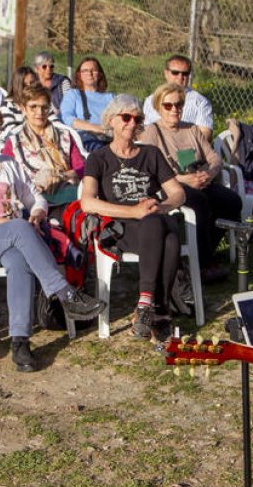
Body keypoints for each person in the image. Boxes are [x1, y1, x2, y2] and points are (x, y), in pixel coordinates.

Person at [0, 102, 105, 371]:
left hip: (12, 239)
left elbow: (34, 196)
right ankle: (66, 294)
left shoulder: (8, 164)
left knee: (19, 260)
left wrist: (38, 212)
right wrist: (1, 222)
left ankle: (20, 342)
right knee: (19, 228)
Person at [80, 95, 186, 339]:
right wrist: (134, 211)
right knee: (169, 241)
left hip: (154, 217)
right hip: (122, 227)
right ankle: (159, 312)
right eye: (125, 117)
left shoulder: (151, 154)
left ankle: (145, 305)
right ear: (111, 121)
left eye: (136, 118)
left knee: (156, 223)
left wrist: (160, 206)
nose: (131, 123)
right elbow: (87, 201)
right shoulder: (98, 158)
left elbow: (178, 193)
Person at [139, 82, 240, 283]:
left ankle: (205, 251)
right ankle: (203, 263)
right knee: (199, 203)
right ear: (159, 107)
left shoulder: (191, 129)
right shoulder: (152, 132)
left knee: (233, 202)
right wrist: (184, 179)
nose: (174, 110)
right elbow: (152, 171)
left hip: (200, 179)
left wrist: (209, 174)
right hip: (173, 185)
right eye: (168, 106)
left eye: (178, 105)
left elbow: (214, 158)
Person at [1, 84, 84, 214]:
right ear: (23, 109)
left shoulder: (65, 136)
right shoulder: (13, 143)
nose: (39, 112)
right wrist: (35, 184)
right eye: (33, 107)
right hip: (33, 200)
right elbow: (7, 177)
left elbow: (82, 168)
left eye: (44, 107)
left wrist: (60, 175)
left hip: (68, 194)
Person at [142, 54, 213, 140]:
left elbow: (205, 133)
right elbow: (145, 130)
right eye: (175, 73)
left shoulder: (200, 102)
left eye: (185, 73)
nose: (180, 77)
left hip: (185, 148)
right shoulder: (151, 100)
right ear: (166, 73)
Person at [59, 56, 115, 151]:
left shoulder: (111, 97)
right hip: (86, 139)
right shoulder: (73, 94)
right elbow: (67, 118)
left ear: (100, 74)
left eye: (93, 70)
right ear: (79, 75)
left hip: (111, 137)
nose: (89, 73)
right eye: (85, 70)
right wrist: (97, 128)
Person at [0, 66, 43, 131]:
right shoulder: (7, 106)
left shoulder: (42, 102)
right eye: (24, 85)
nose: (29, 87)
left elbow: (57, 124)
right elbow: (10, 131)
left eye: (32, 83)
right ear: (17, 86)